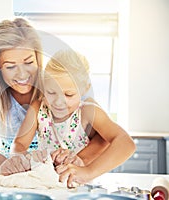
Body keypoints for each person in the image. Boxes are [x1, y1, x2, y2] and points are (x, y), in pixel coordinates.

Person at [0, 17, 108, 176]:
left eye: (29, 62)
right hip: (10, 176)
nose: (22, 74)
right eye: (10, 66)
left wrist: (75, 161)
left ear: (38, 57)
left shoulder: (56, 81)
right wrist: (3, 164)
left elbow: (103, 136)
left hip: (57, 178)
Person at [11, 49, 136, 187]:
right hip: (46, 186)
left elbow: (126, 143)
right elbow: (18, 144)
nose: (59, 102)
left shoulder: (88, 111)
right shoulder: (37, 108)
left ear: (83, 89)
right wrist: (26, 158)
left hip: (79, 187)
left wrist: (88, 171)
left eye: (69, 94)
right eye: (51, 92)